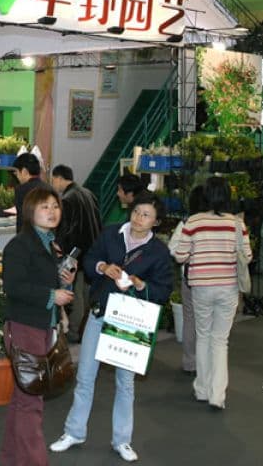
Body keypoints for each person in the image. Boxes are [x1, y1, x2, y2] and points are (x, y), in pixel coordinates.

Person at [50, 191, 173, 462]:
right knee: (85, 376)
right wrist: (103, 267)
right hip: (101, 312)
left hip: (131, 320)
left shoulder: (159, 251)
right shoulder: (111, 233)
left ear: (156, 221)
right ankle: (74, 432)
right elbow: (89, 260)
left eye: (146, 215)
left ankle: (122, 440)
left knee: (125, 382)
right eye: (136, 211)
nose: (138, 218)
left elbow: (163, 290)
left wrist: (141, 285)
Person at [0, 186, 74, 466]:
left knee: (24, 397)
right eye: (45, 207)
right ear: (31, 211)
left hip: (43, 325)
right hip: (25, 326)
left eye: (55, 206)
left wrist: (64, 283)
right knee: (31, 400)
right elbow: (13, 287)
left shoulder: (50, 244)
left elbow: (45, 283)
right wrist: (51, 296)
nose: (52, 211)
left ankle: (12, 457)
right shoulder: (20, 246)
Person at [172, 177, 252, 410]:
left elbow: (180, 256)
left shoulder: (194, 221)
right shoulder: (237, 223)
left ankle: (202, 389)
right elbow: (247, 257)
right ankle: (218, 395)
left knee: (203, 336)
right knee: (220, 340)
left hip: (201, 287)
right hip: (228, 288)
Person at [50, 164, 103, 343]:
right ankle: (87, 329)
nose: (53, 184)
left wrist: (61, 249)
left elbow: (67, 230)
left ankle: (74, 332)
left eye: (53, 180)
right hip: (93, 251)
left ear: (59, 178)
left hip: (75, 254)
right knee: (87, 293)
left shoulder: (67, 199)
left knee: (75, 294)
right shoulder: (88, 194)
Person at [168, 185, 207, 374]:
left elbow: (173, 248)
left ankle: (190, 362)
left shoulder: (187, 223)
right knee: (209, 323)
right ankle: (207, 363)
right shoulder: (222, 223)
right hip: (216, 281)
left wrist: (189, 255)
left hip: (191, 278)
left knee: (190, 320)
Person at [11, 153, 47, 232]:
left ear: (24, 171)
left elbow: (22, 220)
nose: (17, 177)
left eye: (17, 173)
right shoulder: (49, 188)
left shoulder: (22, 190)